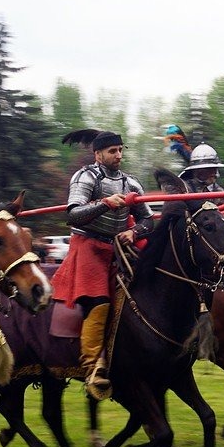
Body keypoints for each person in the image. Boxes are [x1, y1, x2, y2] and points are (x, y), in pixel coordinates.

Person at [51, 131, 154, 400]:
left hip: (120, 248)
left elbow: (148, 221)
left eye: (120, 149)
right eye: (112, 151)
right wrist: (104, 204)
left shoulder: (132, 182)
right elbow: (73, 214)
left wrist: (135, 232)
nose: (118, 155)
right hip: (87, 247)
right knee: (99, 302)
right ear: (98, 154)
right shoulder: (85, 177)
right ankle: (93, 367)